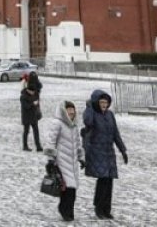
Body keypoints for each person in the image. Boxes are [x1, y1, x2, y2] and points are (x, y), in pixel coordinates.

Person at [83, 88, 127, 220]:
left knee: (109, 181)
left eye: (106, 102)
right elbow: (87, 122)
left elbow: (115, 133)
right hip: (97, 152)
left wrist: (123, 150)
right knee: (102, 180)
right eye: (101, 102)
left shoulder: (110, 115)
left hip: (109, 153)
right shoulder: (92, 113)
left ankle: (106, 209)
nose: (104, 105)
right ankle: (99, 208)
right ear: (96, 102)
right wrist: (90, 107)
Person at [44, 100, 86, 222]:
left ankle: (69, 211)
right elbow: (51, 141)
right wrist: (50, 159)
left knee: (72, 189)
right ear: (64, 111)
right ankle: (64, 210)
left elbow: (78, 143)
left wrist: (81, 158)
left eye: (73, 110)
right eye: (69, 110)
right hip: (61, 162)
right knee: (67, 188)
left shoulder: (74, 126)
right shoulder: (57, 124)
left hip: (72, 163)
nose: (71, 113)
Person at [21, 70, 43, 152]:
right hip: (26, 116)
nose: (33, 93)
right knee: (26, 131)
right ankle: (25, 146)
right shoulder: (23, 96)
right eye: (32, 91)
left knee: (36, 131)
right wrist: (33, 104)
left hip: (33, 115)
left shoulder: (35, 93)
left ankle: (38, 146)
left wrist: (37, 108)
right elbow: (26, 106)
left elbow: (37, 103)